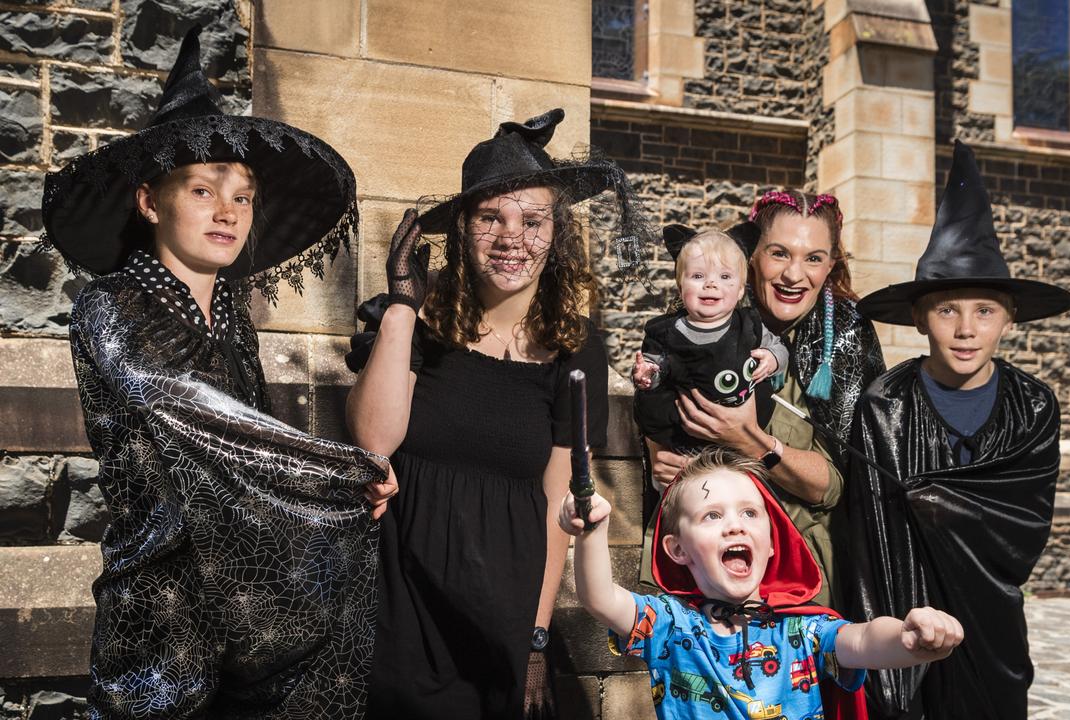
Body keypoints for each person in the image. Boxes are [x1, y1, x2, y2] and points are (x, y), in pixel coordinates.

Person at [42, 26, 395, 718]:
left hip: (243, 610)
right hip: (160, 613)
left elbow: (253, 451)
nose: (228, 211)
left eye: (243, 195)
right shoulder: (112, 306)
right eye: (203, 190)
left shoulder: (233, 319)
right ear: (151, 202)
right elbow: (206, 420)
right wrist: (340, 472)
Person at [344, 108, 650, 718]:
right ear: (462, 228)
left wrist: (536, 636)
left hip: (503, 606)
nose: (513, 238)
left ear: (556, 233)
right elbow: (373, 438)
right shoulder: (417, 325)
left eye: (533, 221)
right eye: (491, 218)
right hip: (399, 597)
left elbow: (558, 503)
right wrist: (404, 306)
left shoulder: (576, 348)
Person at [845, 140, 1070, 720]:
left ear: (1010, 317)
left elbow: (1023, 522)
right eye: (947, 309)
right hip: (906, 615)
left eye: (985, 311)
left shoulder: (1033, 407)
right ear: (920, 317)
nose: (966, 329)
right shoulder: (886, 405)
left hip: (990, 621)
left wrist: (942, 499)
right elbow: (871, 535)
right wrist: (895, 632)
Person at [559, 446, 963, 720]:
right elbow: (600, 598)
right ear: (677, 550)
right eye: (712, 516)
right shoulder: (670, 624)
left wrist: (910, 640)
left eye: (750, 513)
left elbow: (863, 640)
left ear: (773, 545)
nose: (734, 524)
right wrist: (592, 530)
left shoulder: (803, 630)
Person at [642, 190, 885, 613]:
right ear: (751, 257)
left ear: (831, 266)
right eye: (779, 253)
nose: (795, 274)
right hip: (701, 567)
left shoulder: (846, 340)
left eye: (813, 258)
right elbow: (656, 407)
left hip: (797, 573)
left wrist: (749, 440)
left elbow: (835, 485)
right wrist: (659, 455)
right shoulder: (699, 318)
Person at [632, 224, 788, 452]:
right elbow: (654, 365)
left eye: (725, 276)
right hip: (683, 437)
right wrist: (647, 375)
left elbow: (780, 348)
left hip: (740, 438)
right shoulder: (666, 332)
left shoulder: (748, 324)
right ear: (680, 285)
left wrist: (773, 359)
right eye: (697, 276)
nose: (711, 283)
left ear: (741, 290)